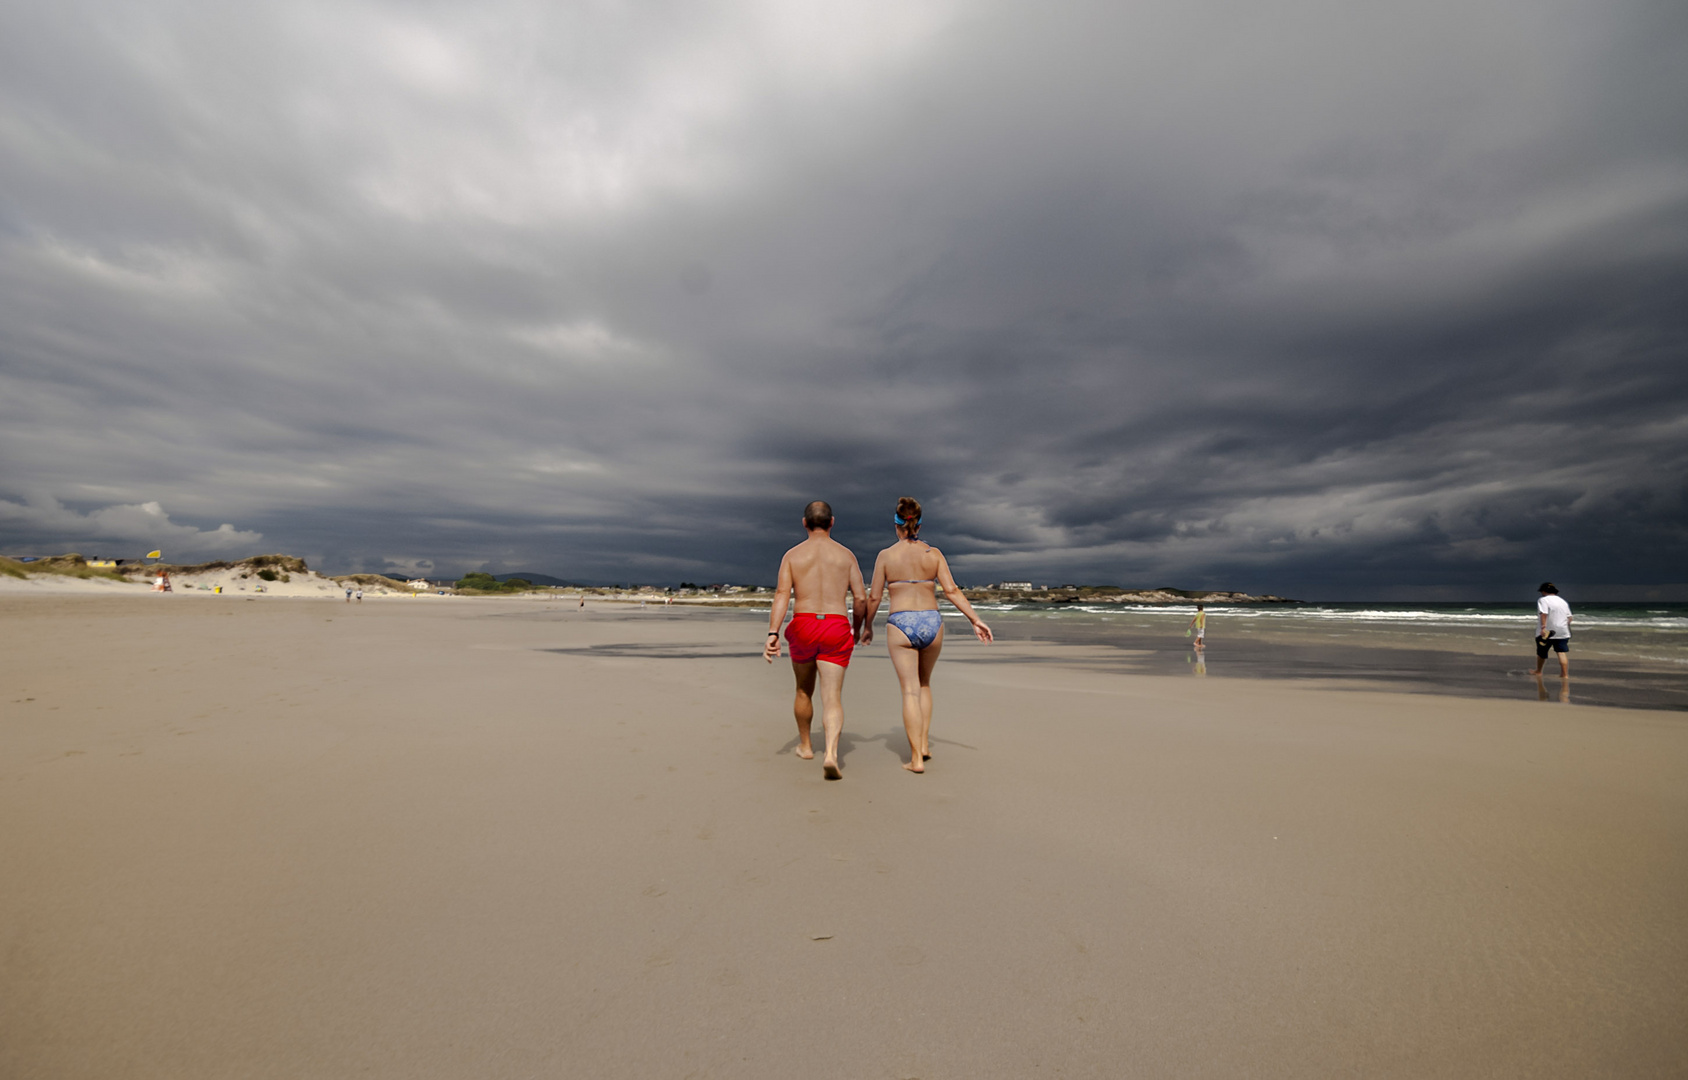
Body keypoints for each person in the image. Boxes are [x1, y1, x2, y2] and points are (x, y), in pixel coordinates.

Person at [861, 497, 993, 773]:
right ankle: (923, 745)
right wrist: (975, 620)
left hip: (901, 622)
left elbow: (874, 597)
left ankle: (916, 760)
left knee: (909, 690)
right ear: (919, 524)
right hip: (932, 622)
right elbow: (952, 591)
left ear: (897, 525)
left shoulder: (885, 556)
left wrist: (867, 625)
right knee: (924, 684)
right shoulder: (934, 554)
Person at [764, 500, 868, 780]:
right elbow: (859, 598)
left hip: (803, 624)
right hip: (835, 625)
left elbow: (782, 595)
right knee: (832, 697)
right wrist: (856, 629)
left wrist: (773, 633)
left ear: (804, 523)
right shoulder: (846, 556)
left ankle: (806, 746)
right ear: (832, 522)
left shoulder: (792, 555)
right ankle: (832, 754)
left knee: (802, 691)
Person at [1533, 582, 1572, 678]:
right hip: (1562, 631)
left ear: (1544, 591)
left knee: (1542, 652)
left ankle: (1538, 671)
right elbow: (1570, 617)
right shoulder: (1563, 601)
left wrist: (1543, 628)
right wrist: (1562, 626)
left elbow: (1544, 613)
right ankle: (1564, 674)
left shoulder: (1543, 600)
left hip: (1547, 631)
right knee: (1561, 652)